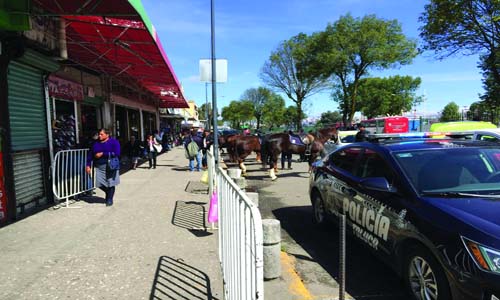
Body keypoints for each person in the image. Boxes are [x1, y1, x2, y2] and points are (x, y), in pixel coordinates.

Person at [85, 128, 120, 206]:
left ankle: (109, 199)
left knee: (111, 183)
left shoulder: (114, 142)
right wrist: (88, 165)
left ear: (107, 135)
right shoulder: (95, 143)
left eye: (101, 134)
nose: (99, 136)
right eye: (99, 134)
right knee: (98, 183)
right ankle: (109, 193)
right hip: (99, 166)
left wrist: (103, 154)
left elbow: (117, 153)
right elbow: (90, 154)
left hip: (111, 166)